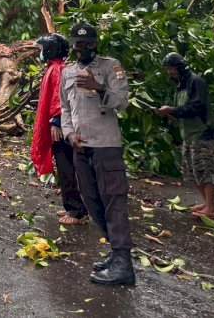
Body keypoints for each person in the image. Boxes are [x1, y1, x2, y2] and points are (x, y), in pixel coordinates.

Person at [60, 23, 135, 286]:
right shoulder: (67, 71)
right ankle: (115, 252)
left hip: (106, 146)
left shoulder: (111, 67)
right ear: (72, 46)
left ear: (95, 44)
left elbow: (122, 102)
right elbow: (65, 109)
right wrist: (69, 135)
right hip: (81, 147)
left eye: (88, 44)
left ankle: (124, 263)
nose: (83, 49)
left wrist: (98, 87)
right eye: (78, 45)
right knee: (91, 201)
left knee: (114, 201)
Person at [31, 34, 88, 225]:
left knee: (67, 167)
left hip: (61, 126)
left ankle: (76, 211)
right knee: (65, 165)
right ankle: (71, 205)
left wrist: (56, 121)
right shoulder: (55, 68)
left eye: (42, 49)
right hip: (60, 123)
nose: (40, 53)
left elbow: (60, 98)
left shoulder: (57, 70)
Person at [155, 53, 214, 218]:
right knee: (192, 170)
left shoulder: (195, 82)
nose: (169, 72)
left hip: (203, 133)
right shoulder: (180, 88)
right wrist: (170, 114)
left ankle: (211, 207)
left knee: (205, 169)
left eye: (171, 68)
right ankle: (206, 203)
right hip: (188, 135)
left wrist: (172, 109)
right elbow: (183, 111)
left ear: (179, 67)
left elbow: (196, 107)